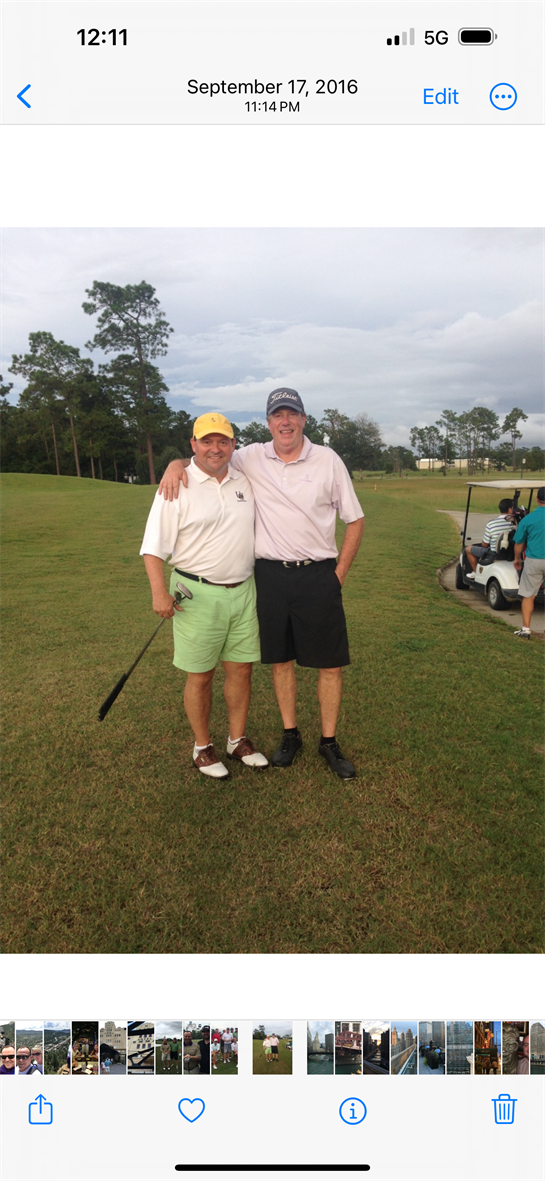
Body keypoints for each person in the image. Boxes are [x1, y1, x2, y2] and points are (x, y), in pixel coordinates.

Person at [160, 390, 365, 779]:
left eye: (292, 414)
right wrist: (175, 464)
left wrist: (338, 574)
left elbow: (355, 519)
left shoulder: (328, 460)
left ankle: (329, 742)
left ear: (304, 419)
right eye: (277, 416)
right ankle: (290, 735)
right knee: (280, 661)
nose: (285, 422)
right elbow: (208, 456)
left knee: (330, 664)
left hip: (318, 573)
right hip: (269, 575)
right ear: (268, 423)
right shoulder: (251, 456)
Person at [141, 412, 268, 780]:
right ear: (193, 444)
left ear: (233, 445)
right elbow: (153, 546)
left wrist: (175, 461)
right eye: (207, 441)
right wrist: (158, 592)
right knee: (200, 675)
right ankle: (202, 747)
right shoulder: (176, 484)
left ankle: (237, 740)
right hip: (196, 594)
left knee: (241, 670)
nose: (215, 448)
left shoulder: (244, 479)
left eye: (222, 441)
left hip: (244, 591)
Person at [512, 486, 545, 638]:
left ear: (537, 500)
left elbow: (519, 543)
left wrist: (517, 559)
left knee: (529, 595)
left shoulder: (528, 519)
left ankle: (525, 629)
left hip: (534, 560)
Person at [465, 498, 514, 576]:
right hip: (511, 552)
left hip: (494, 553)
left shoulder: (491, 524)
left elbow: (485, 544)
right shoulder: (515, 523)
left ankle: (476, 573)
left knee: (468, 549)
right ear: (510, 509)